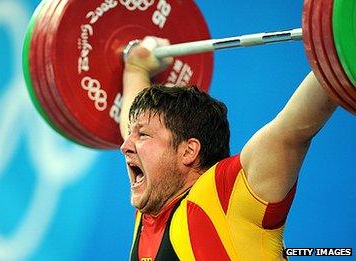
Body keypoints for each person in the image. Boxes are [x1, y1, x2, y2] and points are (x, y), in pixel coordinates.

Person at [119, 36, 337, 260]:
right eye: (132, 135)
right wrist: (136, 68)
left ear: (188, 151)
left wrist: (339, 51)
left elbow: (293, 130)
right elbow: (133, 127)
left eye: (143, 135)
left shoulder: (228, 195)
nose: (125, 146)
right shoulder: (152, 205)